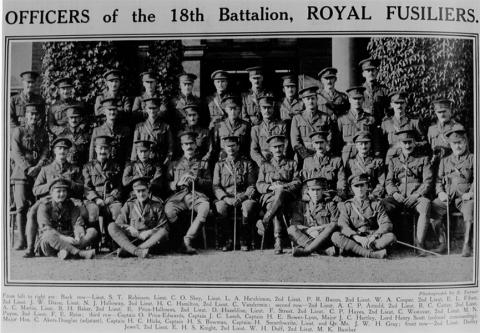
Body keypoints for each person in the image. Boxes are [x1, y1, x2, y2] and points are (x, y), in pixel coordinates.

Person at [383, 129, 432, 254]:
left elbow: (428, 181)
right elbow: (389, 182)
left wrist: (416, 195)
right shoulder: (393, 161)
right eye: (404, 143)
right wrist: (394, 193)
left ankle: (419, 244)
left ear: (415, 143)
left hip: (416, 197)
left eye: (410, 142)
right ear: (399, 144)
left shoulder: (423, 159)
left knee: (425, 205)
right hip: (398, 197)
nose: (407, 145)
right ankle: (388, 242)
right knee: (383, 205)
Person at [10, 103, 49, 250]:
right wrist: (28, 167)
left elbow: (46, 151)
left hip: (37, 174)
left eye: (36, 115)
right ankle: (21, 239)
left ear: (39, 116)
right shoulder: (18, 132)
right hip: (21, 174)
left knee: (36, 206)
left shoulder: (43, 133)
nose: (33, 117)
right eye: (30, 114)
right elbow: (16, 153)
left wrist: (38, 166)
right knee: (21, 207)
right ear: (25, 116)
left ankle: (34, 239)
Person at [165, 131, 211, 254]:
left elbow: (209, 183)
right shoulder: (174, 164)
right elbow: (167, 183)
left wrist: (197, 180)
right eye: (186, 144)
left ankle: (188, 239)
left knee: (205, 207)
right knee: (169, 210)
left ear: (196, 145)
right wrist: (177, 184)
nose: (189, 146)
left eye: (191, 143)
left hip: (196, 195)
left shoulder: (203, 163)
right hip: (178, 197)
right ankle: (179, 238)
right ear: (182, 146)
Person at [431, 124, 473, 256]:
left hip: (465, 198)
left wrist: (471, 193)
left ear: (465, 142)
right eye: (454, 144)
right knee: (432, 207)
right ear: (450, 145)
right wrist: (441, 192)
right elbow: (438, 180)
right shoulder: (445, 161)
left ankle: (467, 245)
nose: (457, 146)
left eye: (460, 142)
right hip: (447, 198)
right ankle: (443, 243)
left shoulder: (473, 159)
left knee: (470, 209)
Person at [331, 174, 396, 259]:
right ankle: (371, 254)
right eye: (356, 186)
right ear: (351, 189)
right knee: (335, 236)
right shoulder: (347, 205)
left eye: (362, 185)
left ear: (367, 186)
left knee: (391, 237)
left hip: (371, 240)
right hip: (356, 239)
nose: (360, 189)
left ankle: (355, 251)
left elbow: (386, 223)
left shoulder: (375, 204)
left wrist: (374, 236)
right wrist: (357, 238)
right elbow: (343, 225)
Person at [256, 135, 301, 254]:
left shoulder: (292, 163)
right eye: (275, 147)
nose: (278, 150)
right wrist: (271, 187)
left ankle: (267, 223)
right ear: (270, 149)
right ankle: (278, 240)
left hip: (287, 195)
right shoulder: (265, 165)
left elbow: (297, 182)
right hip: (270, 196)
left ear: (284, 147)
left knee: (279, 197)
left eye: (280, 146)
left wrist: (283, 186)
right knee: (277, 206)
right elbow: (259, 184)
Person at [213, 136, 258, 251]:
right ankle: (228, 239)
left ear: (238, 146)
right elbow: (216, 186)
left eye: (233, 145)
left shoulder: (247, 163)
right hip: (226, 196)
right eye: (228, 146)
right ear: (224, 148)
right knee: (220, 208)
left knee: (248, 207)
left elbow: (252, 185)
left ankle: (244, 239)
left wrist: (243, 197)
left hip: (243, 196)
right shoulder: (219, 165)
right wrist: (226, 199)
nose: (231, 148)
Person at [36, 178, 97, 260]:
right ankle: (79, 253)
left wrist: (78, 235)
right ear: (51, 193)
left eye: (64, 191)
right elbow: (47, 229)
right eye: (58, 191)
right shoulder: (44, 206)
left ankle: (66, 252)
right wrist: (64, 238)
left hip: (70, 238)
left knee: (92, 231)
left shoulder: (71, 205)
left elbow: (77, 223)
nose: (62, 194)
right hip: (52, 242)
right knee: (48, 235)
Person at [109, 176, 169, 258]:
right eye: (138, 191)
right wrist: (129, 228)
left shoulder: (157, 206)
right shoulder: (129, 205)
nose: (141, 194)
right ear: (134, 192)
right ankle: (137, 251)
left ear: (148, 190)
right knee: (111, 226)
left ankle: (130, 251)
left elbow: (164, 226)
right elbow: (119, 223)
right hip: (131, 240)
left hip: (149, 241)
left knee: (163, 232)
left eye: (143, 190)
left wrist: (150, 232)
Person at [83, 136, 123, 249]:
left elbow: (119, 186)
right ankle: (94, 242)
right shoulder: (88, 167)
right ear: (95, 149)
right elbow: (87, 187)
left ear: (110, 150)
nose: (102, 151)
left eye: (106, 149)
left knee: (117, 210)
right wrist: (96, 199)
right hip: (93, 199)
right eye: (100, 148)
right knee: (93, 211)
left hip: (110, 197)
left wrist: (112, 196)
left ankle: (114, 242)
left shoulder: (115, 166)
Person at [287, 177, 339, 257]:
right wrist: (309, 230)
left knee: (335, 232)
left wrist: (318, 229)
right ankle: (322, 251)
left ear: (322, 191)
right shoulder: (301, 205)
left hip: (323, 237)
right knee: (291, 229)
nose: (315, 193)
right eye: (313, 190)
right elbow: (296, 223)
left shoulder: (329, 204)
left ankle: (308, 250)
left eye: (318, 190)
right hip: (307, 236)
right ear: (308, 191)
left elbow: (335, 223)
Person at [290, 85, 336, 162]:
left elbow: (330, 138)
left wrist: (323, 152)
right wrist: (307, 157)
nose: (311, 101)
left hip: (322, 153)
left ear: (317, 99)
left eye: (313, 98)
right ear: (303, 101)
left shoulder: (325, 117)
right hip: (303, 156)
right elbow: (295, 142)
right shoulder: (297, 118)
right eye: (308, 99)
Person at [337, 86, 381, 165]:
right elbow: (337, 141)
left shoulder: (370, 119)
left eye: (359, 98)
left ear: (363, 99)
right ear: (350, 100)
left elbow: (376, 139)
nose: (357, 101)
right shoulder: (342, 119)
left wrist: (377, 154)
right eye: (354, 99)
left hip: (366, 153)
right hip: (348, 154)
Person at [381, 91, 427, 161]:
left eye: (402, 103)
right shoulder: (386, 124)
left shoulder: (414, 122)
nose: (399, 105)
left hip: (411, 159)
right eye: (396, 103)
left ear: (405, 104)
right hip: (392, 159)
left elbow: (424, 142)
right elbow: (382, 145)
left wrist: (414, 144)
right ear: (391, 105)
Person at [301, 131, 346, 201]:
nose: (319, 146)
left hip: (330, 195)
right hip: (313, 195)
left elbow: (341, 180)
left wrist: (339, 195)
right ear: (313, 145)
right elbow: (304, 181)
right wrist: (305, 194)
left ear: (327, 143)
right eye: (316, 143)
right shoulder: (307, 161)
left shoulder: (336, 160)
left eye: (321, 142)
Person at [131, 97, 173, 166]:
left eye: (154, 108)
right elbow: (135, 147)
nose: (152, 111)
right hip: (144, 162)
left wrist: (167, 159)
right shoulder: (139, 127)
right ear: (145, 109)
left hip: (160, 161)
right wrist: (134, 162)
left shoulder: (165, 126)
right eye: (150, 108)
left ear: (158, 109)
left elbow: (170, 146)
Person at [89, 99, 132, 165]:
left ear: (117, 111)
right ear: (104, 112)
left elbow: (129, 151)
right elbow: (92, 154)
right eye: (109, 110)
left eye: (114, 109)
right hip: (103, 167)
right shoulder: (97, 131)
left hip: (121, 165)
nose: (112, 112)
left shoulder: (125, 130)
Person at [250, 94, 288, 167]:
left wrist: (278, 160)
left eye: (269, 107)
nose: (267, 110)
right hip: (263, 163)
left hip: (280, 162)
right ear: (260, 109)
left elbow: (285, 145)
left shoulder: (281, 126)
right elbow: (253, 151)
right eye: (264, 108)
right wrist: (262, 162)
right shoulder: (256, 129)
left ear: (273, 108)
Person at [345, 131, 385, 199]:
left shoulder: (377, 161)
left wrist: (374, 195)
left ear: (370, 144)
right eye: (360, 144)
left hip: (373, 195)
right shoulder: (350, 162)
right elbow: (347, 182)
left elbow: (381, 182)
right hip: (356, 195)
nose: (363, 146)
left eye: (366, 143)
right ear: (356, 145)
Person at [214, 95, 251, 160]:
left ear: (239, 109)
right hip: (223, 161)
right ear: (225, 109)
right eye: (230, 109)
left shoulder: (245, 126)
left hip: (241, 160)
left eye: (235, 109)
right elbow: (215, 147)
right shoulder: (219, 125)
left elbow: (248, 146)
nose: (233, 112)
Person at [427, 98, 461, 164]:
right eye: (439, 112)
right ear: (436, 113)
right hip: (436, 164)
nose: (442, 115)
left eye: (444, 111)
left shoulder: (457, 128)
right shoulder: (431, 129)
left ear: (450, 111)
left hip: (452, 163)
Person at [359, 58, 389, 124]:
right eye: (368, 70)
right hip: (364, 125)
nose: (371, 73)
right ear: (363, 74)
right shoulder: (359, 91)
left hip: (380, 126)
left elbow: (388, 111)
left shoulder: (384, 90)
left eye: (373, 70)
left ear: (377, 72)